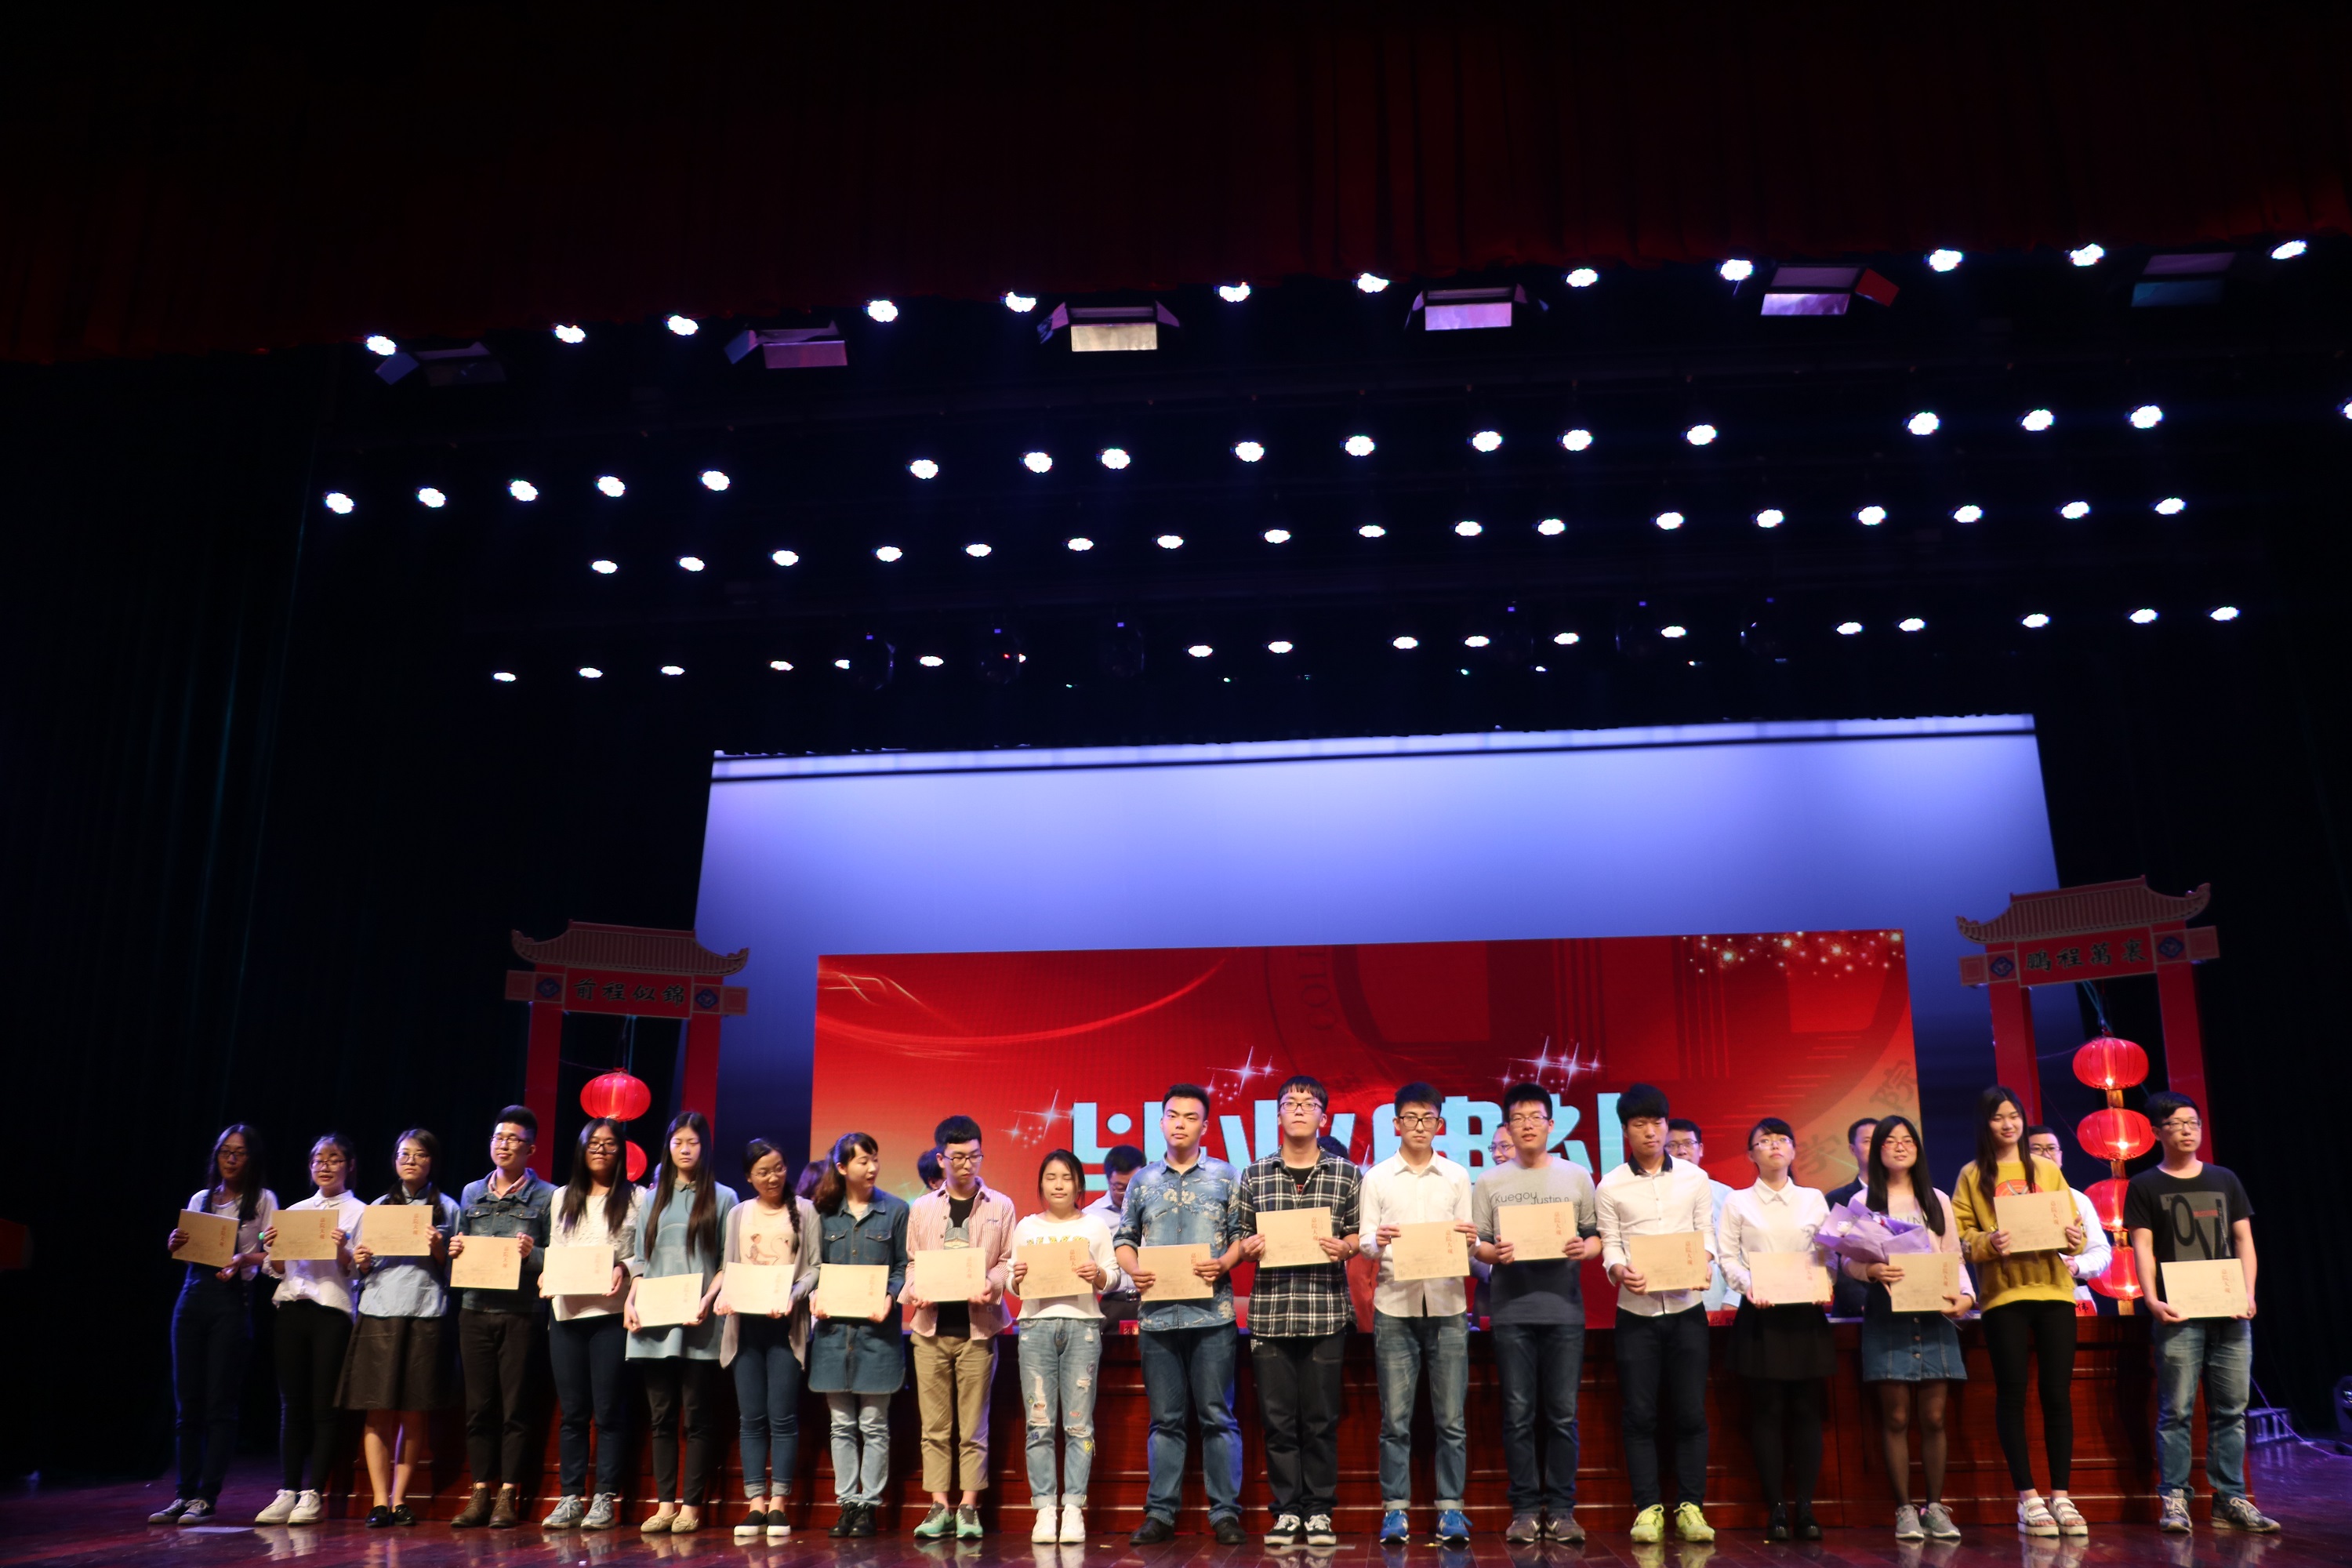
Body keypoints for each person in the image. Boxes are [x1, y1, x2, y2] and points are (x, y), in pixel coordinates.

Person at [2126, 1091, 2276, 1534]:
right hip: (2179, 1311)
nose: (2188, 1130)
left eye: (2193, 1122)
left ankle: (2230, 1499)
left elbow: (2244, 1239)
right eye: (2176, 1124)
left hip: (2229, 1311)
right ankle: (2175, 1498)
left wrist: (2248, 1292)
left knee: (2232, 1409)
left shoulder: (2224, 1178)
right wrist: (2151, 1299)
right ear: (2157, 1132)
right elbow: (2143, 1247)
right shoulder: (2145, 1184)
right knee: (2176, 1410)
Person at [1230, 1075, 1363, 1548]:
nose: (1300, 1109)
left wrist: (1346, 1247)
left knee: (1322, 1420)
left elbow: (1359, 1232)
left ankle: (1320, 1510)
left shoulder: (1346, 1174)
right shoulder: (1255, 1174)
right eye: (1291, 1102)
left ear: (1323, 1117)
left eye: (1310, 1103)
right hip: (1272, 1314)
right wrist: (1247, 1245)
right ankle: (1287, 1511)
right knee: (1278, 1420)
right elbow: (1238, 1235)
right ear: (1279, 1115)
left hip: (1325, 1311)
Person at [1113, 1083, 1247, 1546]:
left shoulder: (1227, 1176)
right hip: (1157, 1318)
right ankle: (1160, 1514)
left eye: (1191, 1117)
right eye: (1173, 1115)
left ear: (1205, 1126)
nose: (1181, 1124)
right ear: (1161, 1122)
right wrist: (1134, 1270)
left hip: (1213, 1317)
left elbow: (1241, 1236)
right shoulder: (1143, 1180)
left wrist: (1224, 1262)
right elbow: (1124, 1238)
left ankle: (1225, 1513)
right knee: (1165, 1420)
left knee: (1218, 1417)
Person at [1951, 1085, 2089, 1539]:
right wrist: (1988, 1243)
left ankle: (2062, 1495)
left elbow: (2076, 1227)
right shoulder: (1972, 1174)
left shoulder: (2046, 1169)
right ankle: (2028, 1497)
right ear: (1985, 1124)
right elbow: (1961, 1238)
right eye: (1998, 1117)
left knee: (2057, 1394)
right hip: (2004, 1296)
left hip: (2055, 1291)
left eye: (2014, 1116)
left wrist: (2075, 1239)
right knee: (2012, 1393)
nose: (2008, 1124)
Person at [1470, 1082, 1599, 1545]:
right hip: (1512, 1312)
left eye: (1536, 1117)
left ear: (1550, 1125)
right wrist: (1495, 1253)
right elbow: (1478, 1244)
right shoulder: (1490, 1182)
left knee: (1562, 1415)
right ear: (1507, 1127)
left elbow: (1595, 1236)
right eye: (1518, 1118)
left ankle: (1562, 1510)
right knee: (1518, 1413)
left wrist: (1585, 1248)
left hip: (1563, 1310)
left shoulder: (1576, 1176)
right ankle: (1524, 1510)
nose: (1527, 1125)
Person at [1597, 1083, 1716, 1544]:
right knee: (1640, 1415)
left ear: (1667, 1126)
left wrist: (1704, 1260)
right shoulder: (1611, 1184)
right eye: (1640, 1124)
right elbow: (1610, 1243)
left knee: (1690, 1412)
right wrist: (1618, 1269)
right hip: (1637, 1313)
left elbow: (1706, 1232)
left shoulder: (1694, 1178)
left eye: (1657, 1122)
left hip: (1687, 1310)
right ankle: (1647, 1509)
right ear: (1626, 1131)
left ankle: (1691, 1507)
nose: (1650, 1132)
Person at [1846, 1115, 1973, 1542]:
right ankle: (1904, 1510)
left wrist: (1966, 1296)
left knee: (1934, 1417)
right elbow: (1845, 1260)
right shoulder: (1863, 1201)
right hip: (1888, 1312)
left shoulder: (1936, 1199)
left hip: (1935, 1312)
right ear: (1877, 1150)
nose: (1900, 1146)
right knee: (1896, 1416)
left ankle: (1934, 1507)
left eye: (1908, 1140)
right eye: (1890, 1141)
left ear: (1918, 1149)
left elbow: (1953, 1256)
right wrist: (1871, 1270)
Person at [1359, 1083, 1478, 1546]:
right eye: (1410, 1117)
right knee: (1395, 1421)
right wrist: (1377, 1241)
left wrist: (1471, 1239)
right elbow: (1365, 1241)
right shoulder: (1377, 1177)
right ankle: (1395, 1510)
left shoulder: (1456, 1176)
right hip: (1395, 1305)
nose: (1419, 1126)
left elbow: (1469, 1243)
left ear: (1439, 1124)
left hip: (1448, 1305)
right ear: (1396, 1124)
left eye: (1428, 1118)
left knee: (1451, 1420)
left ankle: (1451, 1510)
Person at [1715, 1118, 1833, 1541]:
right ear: (1751, 1154)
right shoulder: (1738, 1202)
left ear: (1794, 1150)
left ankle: (1806, 1507)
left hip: (1805, 1315)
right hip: (1761, 1315)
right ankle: (1776, 1509)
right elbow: (1727, 1258)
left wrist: (1826, 1283)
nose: (1774, 1146)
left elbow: (1830, 1252)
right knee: (1766, 1412)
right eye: (1764, 1141)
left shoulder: (1813, 1199)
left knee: (1806, 1412)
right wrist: (1750, 1286)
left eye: (1782, 1140)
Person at [154, 1126, 276, 1526]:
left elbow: (275, 1253)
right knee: (187, 1403)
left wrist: (244, 1259)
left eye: (239, 1153)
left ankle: (206, 1496)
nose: (231, 1159)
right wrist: (176, 1242)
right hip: (193, 1297)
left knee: (219, 1404)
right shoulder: (201, 1199)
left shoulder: (263, 1200)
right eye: (225, 1152)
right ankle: (183, 1493)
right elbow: (189, 1246)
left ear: (251, 1159)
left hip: (231, 1300)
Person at [903, 1113, 1016, 1540]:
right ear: (941, 1159)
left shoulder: (1000, 1205)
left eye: (974, 1156)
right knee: (934, 1427)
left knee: (973, 1425)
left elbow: (1007, 1261)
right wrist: (916, 1290)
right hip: (930, 1329)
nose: (967, 1165)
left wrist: (992, 1283)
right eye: (958, 1157)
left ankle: (968, 1506)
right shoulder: (922, 1208)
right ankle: (939, 1505)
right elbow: (912, 1263)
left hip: (979, 1329)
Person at [340, 1130, 459, 1527]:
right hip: (379, 1311)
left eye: (419, 1154)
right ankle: (379, 1501)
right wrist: (361, 1260)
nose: (410, 1160)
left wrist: (438, 1247)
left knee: (414, 1410)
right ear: (394, 1160)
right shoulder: (377, 1207)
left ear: (431, 1161)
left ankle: (400, 1499)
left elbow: (457, 1272)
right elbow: (363, 1269)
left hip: (425, 1312)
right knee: (377, 1408)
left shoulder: (447, 1208)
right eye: (404, 1154)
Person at [625, 1109, 735, 1535]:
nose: (685, 1150)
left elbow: (726, 1262)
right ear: (668, 1147)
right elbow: (640, 1259)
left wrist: (708, 1299)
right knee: (661, 1418)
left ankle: (691, 1506)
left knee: (698, 1416)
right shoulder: (652, 1198)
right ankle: (665, 1504)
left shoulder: (723, 1197)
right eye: (677, 1142)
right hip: (655, 1321)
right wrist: (631, 1301)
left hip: (698, 1320)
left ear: (705, 1147)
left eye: (693, 1142)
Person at [445, 1105, 553, 1530]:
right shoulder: (472, 1192)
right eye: (498, 1137)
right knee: (478, 1407)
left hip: (521, 1312)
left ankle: (508, 1493)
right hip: (474, 1309)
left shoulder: (547, 1196)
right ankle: (480, 1492)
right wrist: (453, 1250)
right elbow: (459, 1249)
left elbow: (556, 1258)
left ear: (531, 1149)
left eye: (512, 1139)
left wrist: (533, 1254)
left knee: (515, 1407)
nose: (503, 1145)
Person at [256, 1133, 366, 1526]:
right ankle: (287, 1489)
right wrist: (275, 1247)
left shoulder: (360, 1211)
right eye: (319, 1159)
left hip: (331, 1311)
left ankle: (314, 1492)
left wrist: (342, 1250)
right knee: (292, 1405)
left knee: (323, 1406)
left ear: (349, 1166)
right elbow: (277, 1268)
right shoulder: (296, 1210)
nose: (325, 1166)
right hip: (291, 1308)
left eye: (334, 1159)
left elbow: (361, 1270)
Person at [1010, 1148, 1120, 1544]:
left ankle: (1073, 1508)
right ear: (1041, 1184)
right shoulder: (1026, 1227)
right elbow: (1013, 1283)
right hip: (1035, 1328)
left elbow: (1114, 1275)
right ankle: (1044, 1510)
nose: (1058, 1185)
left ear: (1078, 1185)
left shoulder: (1095, 1226)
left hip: (1083, 1328)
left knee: (1078, 1423)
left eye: (1067, 1178)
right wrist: (1017, 1277)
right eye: (1051, 1177)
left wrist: (1098, 1274)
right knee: (1039, 1424)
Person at [540, 1117, 641, 1530]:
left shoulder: (636, 1197)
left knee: (609, 1409)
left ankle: (604, 1498)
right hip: (567, 1314)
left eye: (609, 1144)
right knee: (573, 1412)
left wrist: (624, 1266)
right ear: (582, 1150)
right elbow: (556, 1247)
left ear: (621, 1152)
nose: (601, 1150)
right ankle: (570, 1497)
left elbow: (643, 1253)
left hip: (611, 1315)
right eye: (593, 1143)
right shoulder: (563, 1196)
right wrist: (547, 1276)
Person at [718, 1137, 822, 1542]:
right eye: (763, 1172)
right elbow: (729, 1266)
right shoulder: (739, 1214)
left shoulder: (805, 1210)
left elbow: (815, 1267)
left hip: (785, 1326)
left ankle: (779, 1503)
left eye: (778, 1168)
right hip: (745, 1326)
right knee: (751, 1418)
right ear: (749, 1177)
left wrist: (794, 1295)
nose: (773, 1177)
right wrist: (723, 1297)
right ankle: (755, 1504)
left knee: (782, 1417)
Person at [807, 1131, 909, 1540]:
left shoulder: (895, 1210)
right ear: (842, 1167)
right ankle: (847, 1503)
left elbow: (902, 1266)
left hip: (878, 1336)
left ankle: (868, 1507)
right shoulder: (822, 1213)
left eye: (874, 1159)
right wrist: (814, 1295)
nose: (872, 1168)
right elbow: (815, 1267)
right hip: (834, 1336)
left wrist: (890, 1297)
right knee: (841, 1425)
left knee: (874, 1424)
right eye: (863, 1161)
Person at [2024, 1125, 2112, 1311]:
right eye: (2037, 1149)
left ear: (2061, 1156)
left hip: (2072, 1293)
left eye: (2051, 1149)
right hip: (2025, 1292)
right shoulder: (2013, 1197)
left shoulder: (2078, 1199)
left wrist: (2077, 1265)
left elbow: (2101, 1252)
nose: (2046, 1155)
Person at [1668, 1119, 1742, 1314]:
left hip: (1717, 1300)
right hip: (1668, 1301)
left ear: (1700, 1149)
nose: (1681, 1151)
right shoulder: (1654, 1197)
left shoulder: (1727, 1196)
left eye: (1688, 1143)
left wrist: (1733, 1300)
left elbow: (1741, 1253)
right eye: (1672, 1145)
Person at [1822, 1117, 1882, 1319]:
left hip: (1905, 1306)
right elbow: (1833, 1257)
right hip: (1855, 1313)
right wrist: (1863, 1303)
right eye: (1867, 1141)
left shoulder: (1908, 1197)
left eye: (1881, 1140)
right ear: (1852, 1149)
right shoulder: (1838, 1199)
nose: (1876, 1147)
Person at [1086, 1144, 1147, 1323]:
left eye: (1134, 1186)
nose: (1128, 1194)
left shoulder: (1157, 1212)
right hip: (1111, 1304)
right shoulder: (1091, 1216)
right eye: (1120, 1187)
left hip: (1154, 1301)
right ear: (1108, 1180)